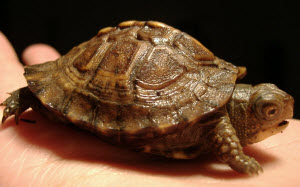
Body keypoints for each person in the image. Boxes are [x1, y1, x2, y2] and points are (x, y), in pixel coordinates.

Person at [0, 31, 300, 187]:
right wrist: (238, 159)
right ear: (244, 112)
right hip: (108, 77)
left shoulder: (218, 103)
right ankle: (30, 95)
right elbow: (219, 126)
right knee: (54, 109)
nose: (278, 115)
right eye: (269, 111)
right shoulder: (217, 121)